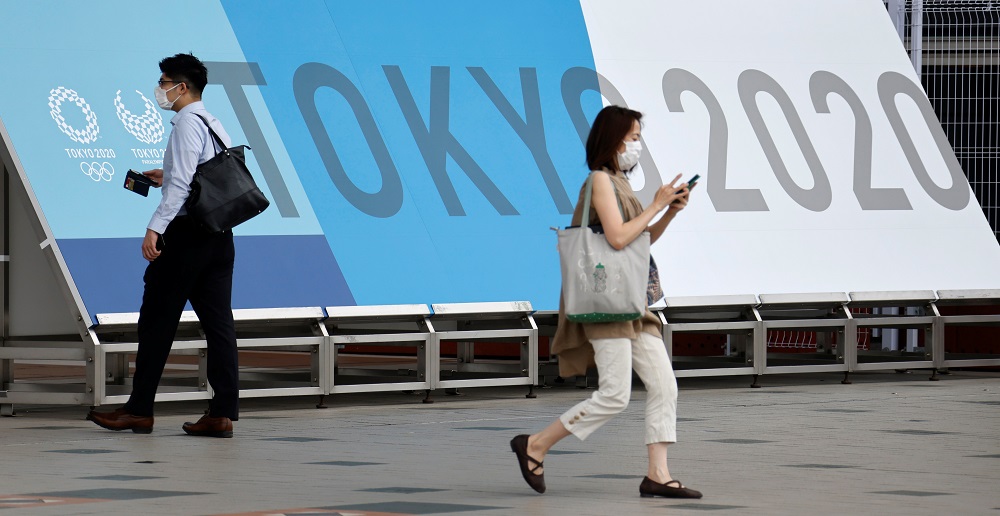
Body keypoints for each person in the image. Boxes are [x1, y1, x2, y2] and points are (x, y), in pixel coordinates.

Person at [510, 105, 701, 498]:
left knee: (665, 385)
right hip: (607, 300)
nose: (637, 145)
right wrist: (656, 204)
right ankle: (535, 444)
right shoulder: (599, 180)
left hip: (631, 300)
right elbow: (616, 238)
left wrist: (669, 214)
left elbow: (637, 243)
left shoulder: (620, 183)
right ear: (613, 141)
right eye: (632, 137)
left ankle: (658, 475)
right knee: (614, 394)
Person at [87, 53, 239, 438]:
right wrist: (167, 171)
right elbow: (202, 175)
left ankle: (139, 410)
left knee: (155, 321)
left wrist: (155, 228)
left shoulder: (187, 122)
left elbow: (183, 186)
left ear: (182, 87)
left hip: (187, 237)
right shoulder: (213, 121)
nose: (161, 89)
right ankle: (221, 414)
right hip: (219, 236)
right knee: (219, 324)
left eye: (165, 82)